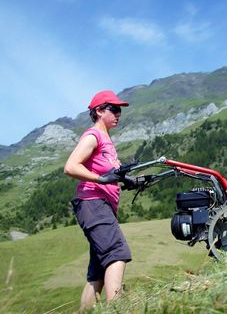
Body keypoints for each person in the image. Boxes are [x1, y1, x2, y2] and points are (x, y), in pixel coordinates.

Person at [64, 90, 134, 312]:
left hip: (99, 206)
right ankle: (117, 307)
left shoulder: (107, 141)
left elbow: (112, 174)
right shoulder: (93, 136)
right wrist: (101, 179)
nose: (118, 113)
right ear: (99, 111)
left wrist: (128, 180)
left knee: (98, 272)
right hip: (93, 203)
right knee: (116, 252)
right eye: (114, 109)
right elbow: (71, 166)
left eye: (120, 109)